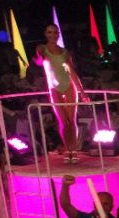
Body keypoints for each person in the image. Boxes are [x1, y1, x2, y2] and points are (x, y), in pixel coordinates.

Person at [35, 23, 85, 163]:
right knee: (63, 121)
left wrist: (82, 92)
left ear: (58, 34)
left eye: (55, 32)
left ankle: (73, 150)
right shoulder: (42, 48)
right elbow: (40, 59)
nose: (52, 35)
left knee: (71, 121)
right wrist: (39, 59)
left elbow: (72, 72)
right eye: (49, 32)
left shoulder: (65, 52)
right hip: (54, 88)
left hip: (68, 85)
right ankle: (67, 150)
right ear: (46, 34)